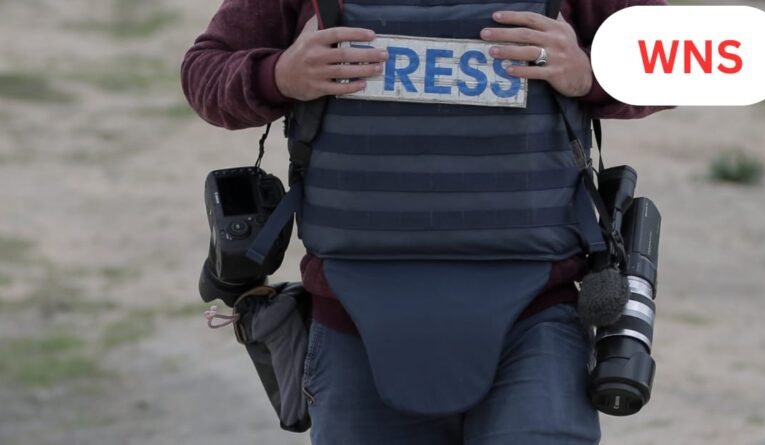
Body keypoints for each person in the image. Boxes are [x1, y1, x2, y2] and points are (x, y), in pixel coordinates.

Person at [182, 1, 669, 444]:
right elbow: (203, 71)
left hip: (537, 314)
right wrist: (278, 76)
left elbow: (678, 60)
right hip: (353, 314)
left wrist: (589, 73)